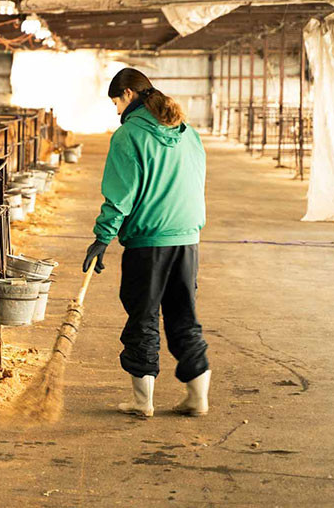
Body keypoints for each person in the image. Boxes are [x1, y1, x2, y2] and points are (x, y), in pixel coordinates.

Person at [83, 68, 210, 418]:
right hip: (187, 238)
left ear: (128, 94)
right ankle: (197, 397)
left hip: (149, 240)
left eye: (115, 102)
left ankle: (143, 401)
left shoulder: (128, 136)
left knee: (143, 316)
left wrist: (102, 237)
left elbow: (121, 195)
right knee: (184, 314)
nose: (116, 110)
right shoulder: (188, 134)